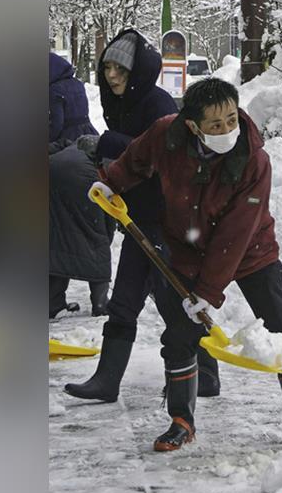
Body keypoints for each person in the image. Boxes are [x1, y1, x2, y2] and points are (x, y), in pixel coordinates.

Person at [91, 77, 282, 451]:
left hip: (250, 250)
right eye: (216, 125)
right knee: (180, 334)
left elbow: (237, 231)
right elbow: (136, 159)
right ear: (192, 125)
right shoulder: (167, 135)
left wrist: (208, 292)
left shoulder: (253, 159)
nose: (227, 129)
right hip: (187, 247)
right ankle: (181, 420)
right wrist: (111, 182)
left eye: (232, 118)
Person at [65, 29, 220, 402]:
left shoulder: (159, 104)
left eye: (120, 69)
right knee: (125, 302)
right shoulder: (122, 105)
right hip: (139, 219)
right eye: (107, 68)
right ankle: (107, 381)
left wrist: (107, 144)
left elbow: (160, 157)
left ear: (138, 71)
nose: (112, 76)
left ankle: (207, 374)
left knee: (173, 301)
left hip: (168, 222)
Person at [49, 51, 111, 317]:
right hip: (89, 147)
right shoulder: (74, 84)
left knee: (57, 233)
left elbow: (54, 126)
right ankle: (99, 301)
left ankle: (53, 301)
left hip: (64, 155)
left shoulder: (52, 91)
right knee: (94, 228)